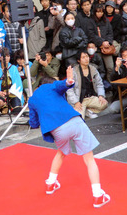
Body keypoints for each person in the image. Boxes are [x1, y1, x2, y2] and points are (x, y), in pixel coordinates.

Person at [28, 67, 110, 208]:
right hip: (73, 121)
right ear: (47, 82)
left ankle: (51, 183)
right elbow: (61, 85)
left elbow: (33, 123)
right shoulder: (50, 86)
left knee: (60, 153)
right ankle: (98, 195)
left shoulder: (32, 100)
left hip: (56, 130)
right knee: (89, 160)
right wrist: (69, 82)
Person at [66, 50, 108, 119]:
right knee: (79, 118)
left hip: (90, 97)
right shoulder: (74, 71)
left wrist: (101, 95)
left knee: (104, 104)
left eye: (87, 56)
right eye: (83, 57)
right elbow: (69, 89)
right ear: (78, 60)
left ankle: (89, 110)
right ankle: (85, 111)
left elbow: (99, 83)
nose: (86, 59)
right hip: (80, 100)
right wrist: (76, 102)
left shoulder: (93, 69)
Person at [0, 47, 23, 114]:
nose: (6, 58)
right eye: (4, 56)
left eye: (8, 56)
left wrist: (9, 92)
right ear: (0, 58)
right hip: (0, 93)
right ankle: (4, 106)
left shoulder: (13, 68)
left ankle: (10, 106)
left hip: (11, 92)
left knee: (17, 109)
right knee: (0, 103)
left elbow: (18, 83)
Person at [88, 4, 115, 81]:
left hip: (107, 48)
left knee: (110, 67)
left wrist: (108, 42)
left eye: (101, 12)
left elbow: (110, 33)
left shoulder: (106, 21)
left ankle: (110, 84)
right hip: (96, 47)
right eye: (98, 12)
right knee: (98, 68)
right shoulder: (91, 21)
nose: (100, 14)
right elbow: (91, 34)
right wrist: (101, 42)